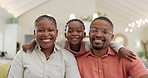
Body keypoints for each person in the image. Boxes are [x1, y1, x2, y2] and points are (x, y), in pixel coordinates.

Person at [22, 19, 135, 60]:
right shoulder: (62, 44)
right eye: (70, 31)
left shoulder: (87, 45)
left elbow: (109, 42)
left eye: (78, 31)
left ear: (84, 34)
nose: (74, 34)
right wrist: (33, 42)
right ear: (65, 34)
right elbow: (47, 41)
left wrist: (120, 48)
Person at [8, 15, 80, 78]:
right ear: (34, 33)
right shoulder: (22, 55)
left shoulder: (67, 57)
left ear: (56, 33)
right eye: (40, 30)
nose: (45, 34)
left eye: (50, 30)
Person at [77, 16, 148, 78]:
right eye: (94, 30)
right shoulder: (78, 59)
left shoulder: (125, 55)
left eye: (104, 32)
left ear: (111, 37)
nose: (98, 34)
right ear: (89, 34)